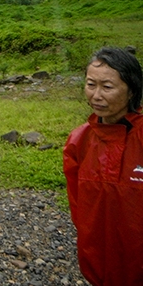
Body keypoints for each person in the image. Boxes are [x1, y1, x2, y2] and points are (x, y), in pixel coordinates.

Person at [63, 46, 143, 286]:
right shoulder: (79, 140)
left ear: (131, 90)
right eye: (90, 85)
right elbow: (78, 206)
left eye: (107, 87)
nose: (96, 95)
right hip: (97, 264)